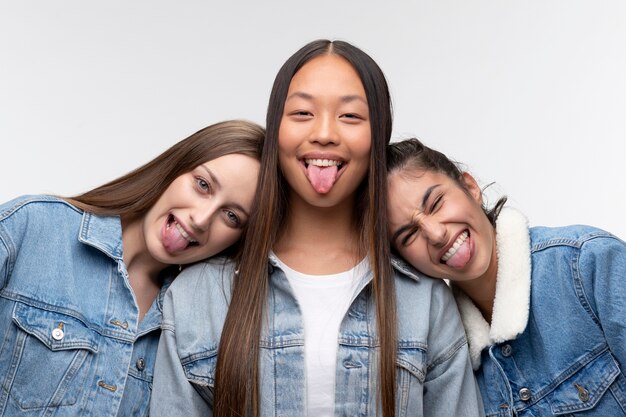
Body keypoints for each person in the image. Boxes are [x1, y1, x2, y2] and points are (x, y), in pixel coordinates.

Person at [151, 40, 483, 417]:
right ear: (276, 129)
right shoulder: (198, 296)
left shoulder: (423, 300)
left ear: (378, 137)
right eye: (303, 113)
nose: (324, 133)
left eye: (350, 117)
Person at [0, 119, 264, 417]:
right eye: (202, 185)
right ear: (174, 168)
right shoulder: (32, 227)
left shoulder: (191, 327)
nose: (201, 219)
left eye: (231, 216)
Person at [386, 138, 626, 417]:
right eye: (409, 235)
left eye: (436, 203)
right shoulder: (446, 359)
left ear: (470, 187)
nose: (436, 234)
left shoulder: (588, 262)